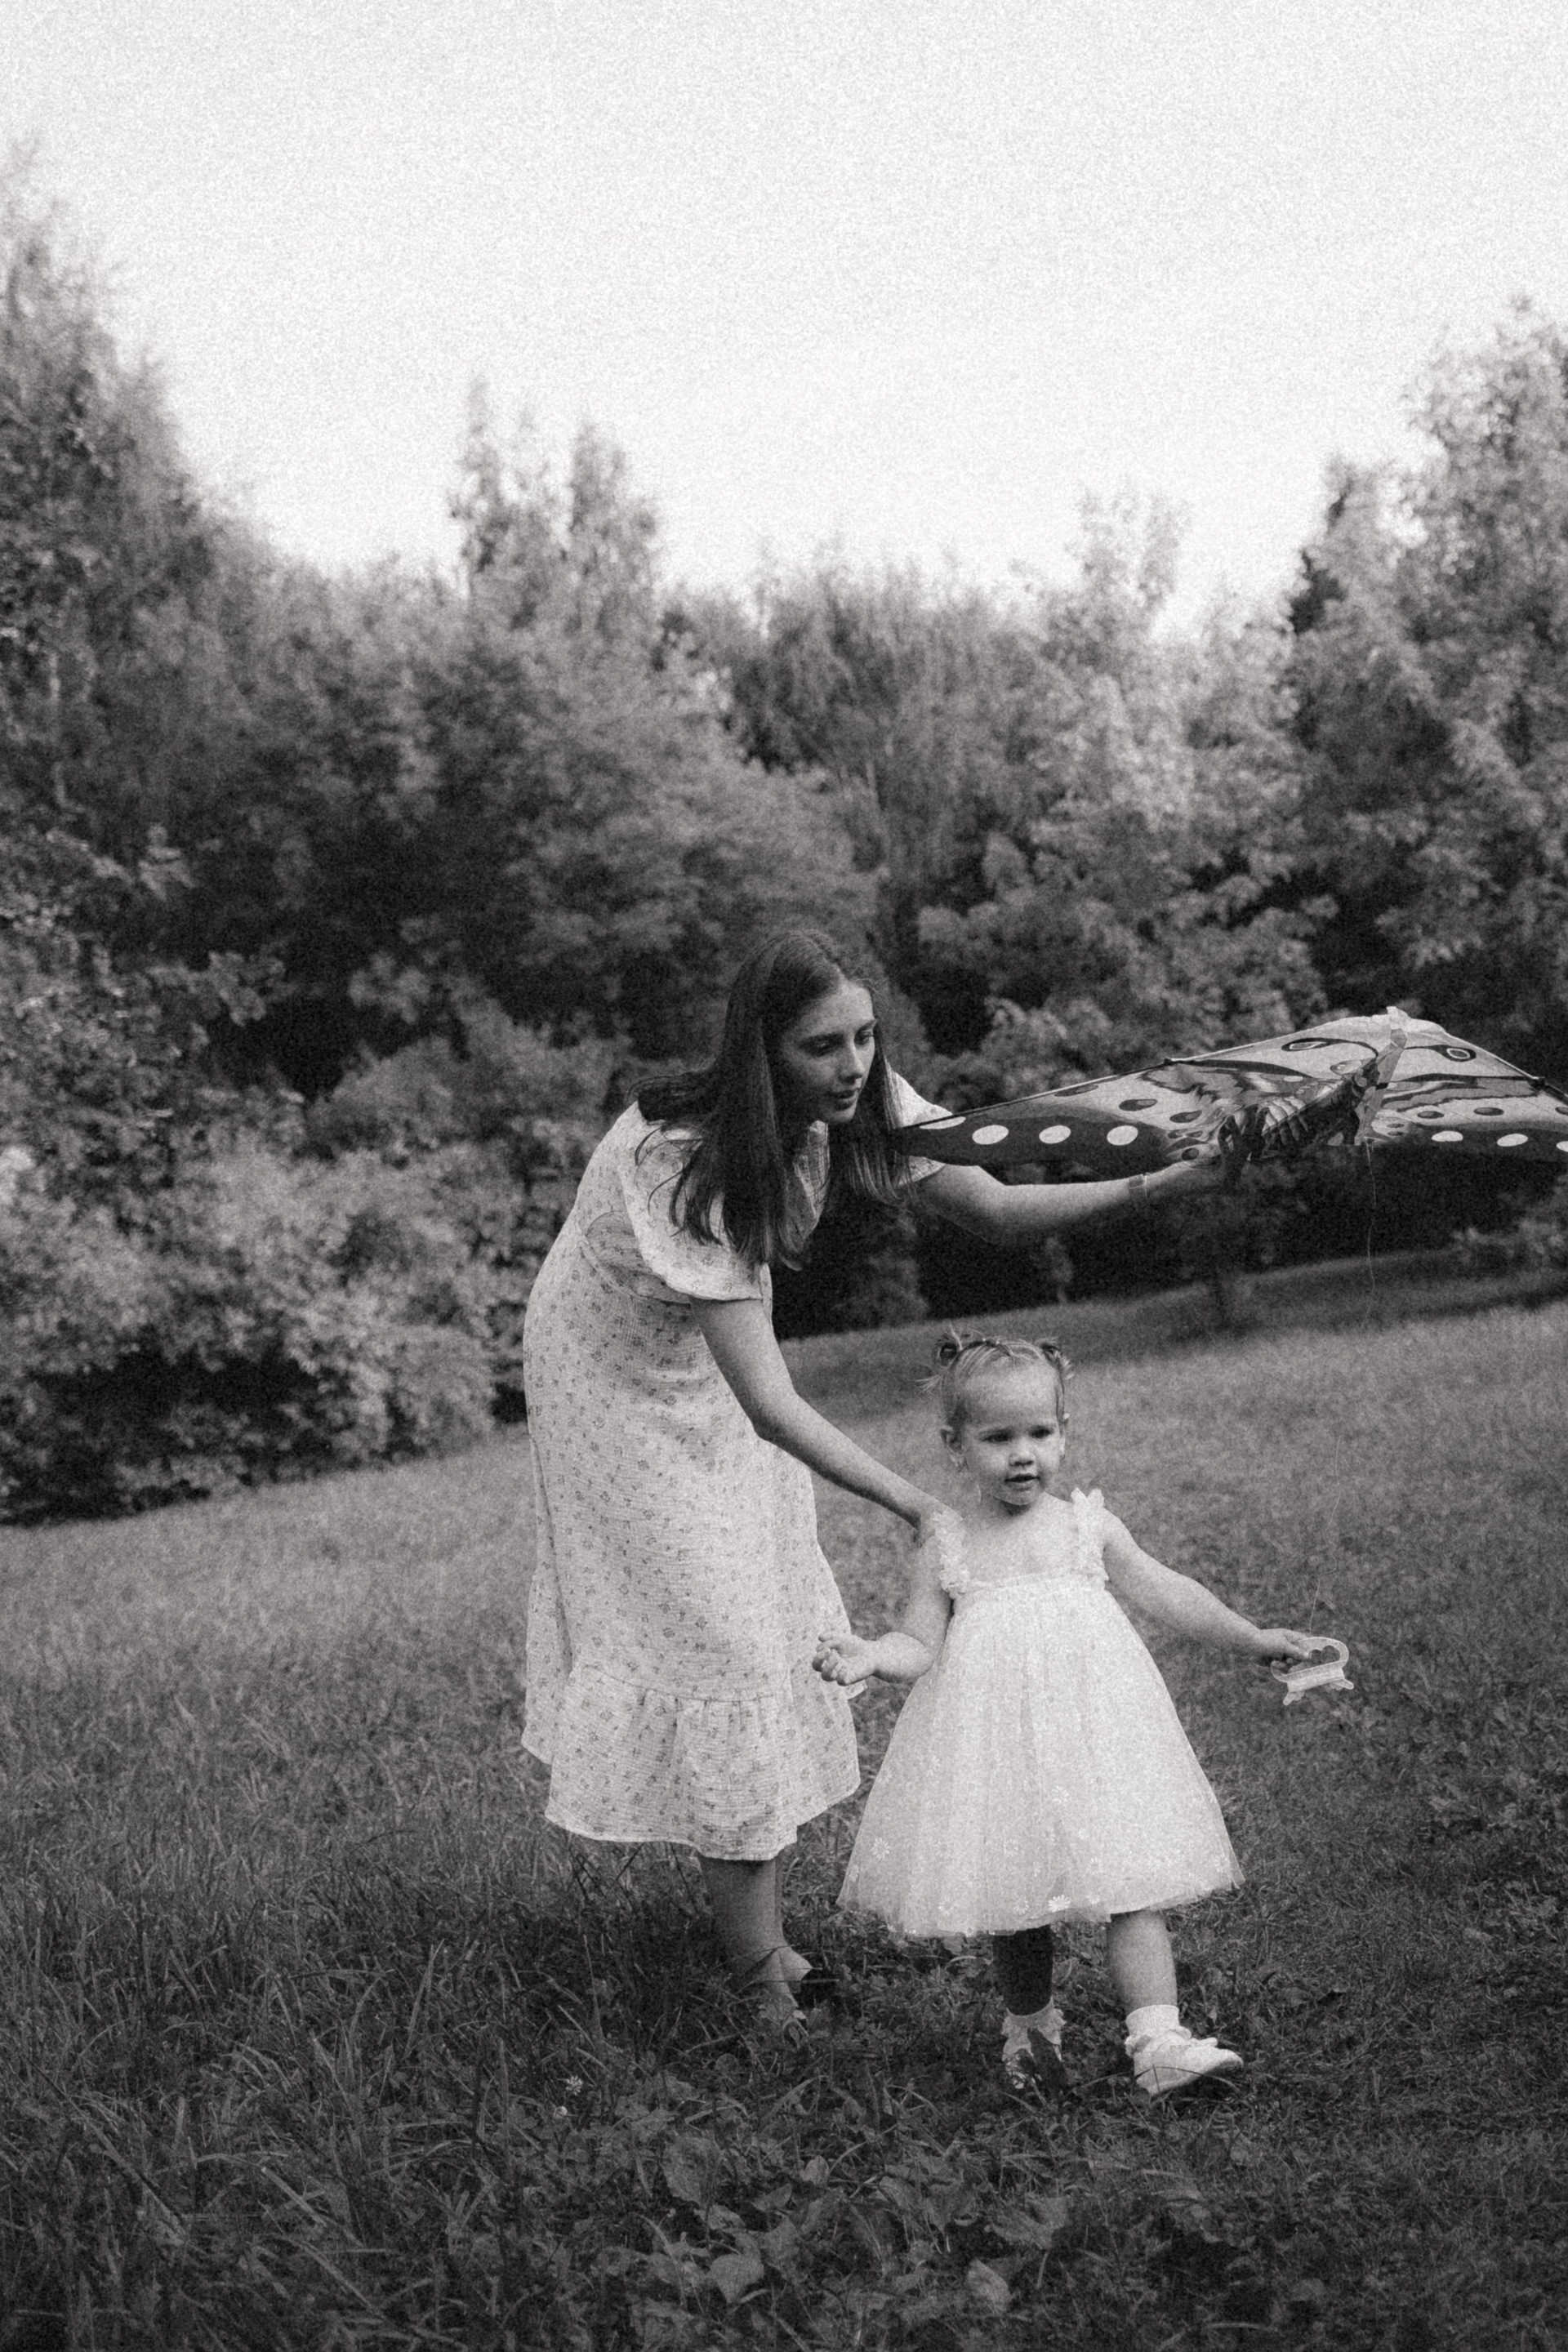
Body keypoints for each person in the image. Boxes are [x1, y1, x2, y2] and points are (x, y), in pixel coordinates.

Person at [521, 932, 1222, 2026]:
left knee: (765, 1606)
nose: (852, 1065)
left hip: (707, 1346)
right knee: (719, 1638)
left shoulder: (863, 1095)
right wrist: (919, 1502)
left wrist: (1179, 1172)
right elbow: (773, 1407)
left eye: (863, 1038)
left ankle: (764, 1940)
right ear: (763, 1053)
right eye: (822, 1047)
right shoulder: (680, 1160)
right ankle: (760, 1978)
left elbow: (996, 1209)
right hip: (607, 1376)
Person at [814, 1333, 1323, 2096]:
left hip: (1097, 1735)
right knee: (1015, 1896)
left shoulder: (1087, 1525)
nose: (1023, 1455)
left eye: (1040, 1433)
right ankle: (1030, 2029)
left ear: (1064, 1433)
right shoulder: (948, 1543)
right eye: (998, 1438)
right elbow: (919, 1642)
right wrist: (871, 1655)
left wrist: (1254, 1639)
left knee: (1131, 1880)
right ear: (954, 1445)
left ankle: (1159, 2039)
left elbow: (1167, 1591)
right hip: (999, 1743)